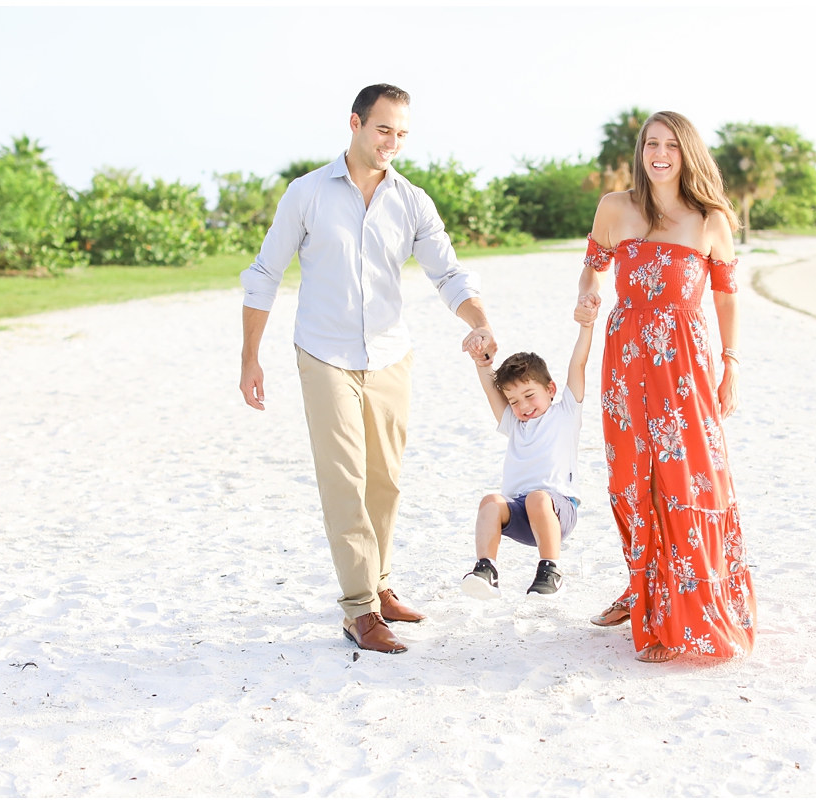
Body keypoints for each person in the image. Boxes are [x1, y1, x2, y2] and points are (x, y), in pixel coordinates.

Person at [238, 84, 497, 655]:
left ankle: (379, 585)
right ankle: (358, 609)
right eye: (384, 130)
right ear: (355, 123)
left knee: (385, 481)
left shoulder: (411, 201)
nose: (392, 143)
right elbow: (264, 272)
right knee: (344, 480)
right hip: (324, 353)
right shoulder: (306, 194)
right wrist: (250, 356)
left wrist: (476, 321)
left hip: (388, 354)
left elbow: (449, 274)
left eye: (402, 134)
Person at [574, 111, 757, 663]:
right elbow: (592, 268)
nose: (660, 154)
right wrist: (587, 294)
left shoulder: (710, 219)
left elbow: (726, 296)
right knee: (632, 481)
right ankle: (644, 593)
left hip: (684, 368)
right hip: (625, 363)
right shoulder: (616, 208)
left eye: (672, 146)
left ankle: (680, 609)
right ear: (641, 150)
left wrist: (732, 364)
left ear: (688, 154)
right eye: (652, 144)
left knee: (688, 479)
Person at [460, 303, 595, 600]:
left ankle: (551, 570)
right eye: (514, 401)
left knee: (538, 497)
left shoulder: (566, 413)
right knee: (491, 501)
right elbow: (489, 388)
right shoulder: (514, 424)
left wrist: (587, 326)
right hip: (522, 515)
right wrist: (481, 361)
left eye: (529, 395)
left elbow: (579, 365)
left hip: (560, 510)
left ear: (550, 389)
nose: (522, 407)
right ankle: (486, 569)